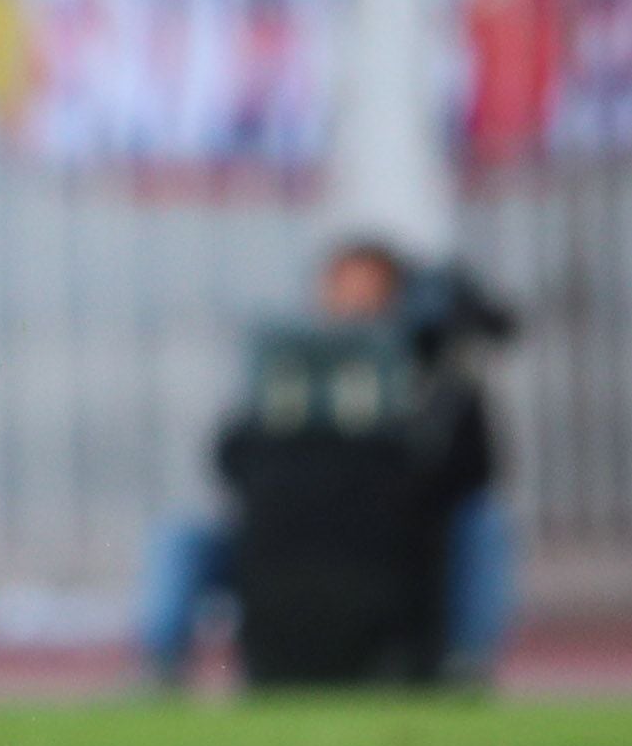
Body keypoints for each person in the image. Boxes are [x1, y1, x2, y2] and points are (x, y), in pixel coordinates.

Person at [141, 240, 517, 688]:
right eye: (344, 287)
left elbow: (476, 470)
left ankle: (465, 665)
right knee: (181, 535)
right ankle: (161, 668)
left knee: (483, 524)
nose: (355, 302)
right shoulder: (287, 373)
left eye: (370, 289)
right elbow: (230, 456)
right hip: (288, 544)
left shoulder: (433, 385)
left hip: (399, 545)